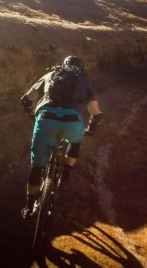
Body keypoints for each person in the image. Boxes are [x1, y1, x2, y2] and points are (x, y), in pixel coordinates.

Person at [19, 55, 103, 219]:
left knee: (37, 166)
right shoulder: (83, 81)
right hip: (71, 122)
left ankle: (29, 207)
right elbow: (96, 113)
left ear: (62, 66)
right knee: (76, 140)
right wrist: (91, 129)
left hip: (46, 119)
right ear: (81, 69)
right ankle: (66, 173)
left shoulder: (50, 75)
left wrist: (31, 114)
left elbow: (26, 99)